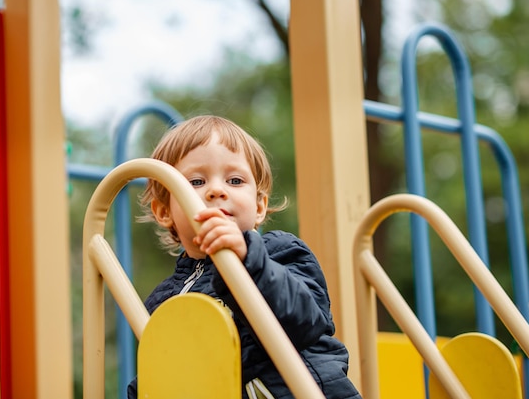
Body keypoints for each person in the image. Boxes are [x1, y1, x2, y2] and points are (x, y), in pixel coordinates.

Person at [127, 115, 362, 399]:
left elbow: (306, 321)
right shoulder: (165, 300)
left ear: (260, 206)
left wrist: (249, 260)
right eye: (197, 181)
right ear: (164, 212)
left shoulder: (279, 252)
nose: (217, 190)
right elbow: (164, 371)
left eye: (235, 180)